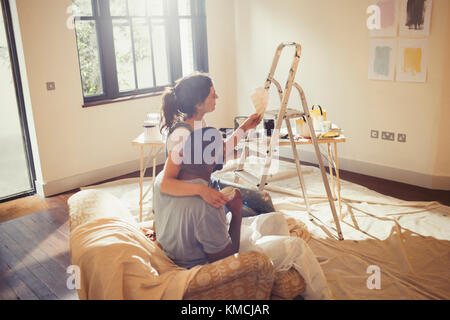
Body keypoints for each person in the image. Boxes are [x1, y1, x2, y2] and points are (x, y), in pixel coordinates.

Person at [159, 72, 262, 209]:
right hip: (186, 201)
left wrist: (245, 127)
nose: (217, 97)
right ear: (198, 104)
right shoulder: (182, 135)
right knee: (251, 209)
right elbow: (166, 184)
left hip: (204, 186)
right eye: (213, 95)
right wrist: (202, 191)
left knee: (261, 201)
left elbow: (222, 150)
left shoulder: (199, 124)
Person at [153, 127, 243, 269]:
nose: (225, 150)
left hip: (166, 255)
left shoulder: (160, 181)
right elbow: (227, 260)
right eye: (222, 148)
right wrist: (237, 213)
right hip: (191, 268)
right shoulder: (208, 205)